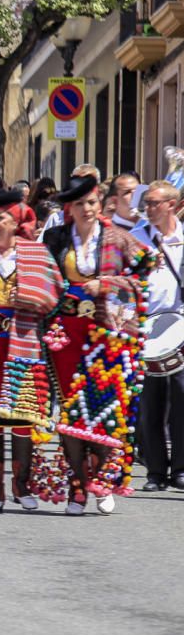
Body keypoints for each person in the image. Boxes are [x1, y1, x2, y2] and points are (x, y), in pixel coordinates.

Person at [43, 174, 154, 515]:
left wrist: (107, 283)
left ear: (100, 203)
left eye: (91, 202)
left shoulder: (119, 238)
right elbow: (44, 277)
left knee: (105, 409)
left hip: (107, 331)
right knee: (71, 413)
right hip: (67, 332)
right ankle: (77, 488)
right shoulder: (56, 237)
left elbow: (146, 270)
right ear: (69, 208)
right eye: (79, 204)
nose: (86, 209)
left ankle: (103, 481)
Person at [0, 189, 64, 513]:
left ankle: (22, 485)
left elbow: (55, 294)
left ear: (16, 221)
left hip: (23, 341)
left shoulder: (36, 254)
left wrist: (32, 299)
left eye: (1, 218)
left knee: (23, 420)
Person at [130, 180, 184, 492]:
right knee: (150, 402)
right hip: (145, 327)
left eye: (154, 203)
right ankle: (154, 471)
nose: (148, 208)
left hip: (178, 326)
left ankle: (179, 468)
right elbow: (123, 277)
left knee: (181, 399)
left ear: (172, 206)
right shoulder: (136, 238)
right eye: (147, 203)